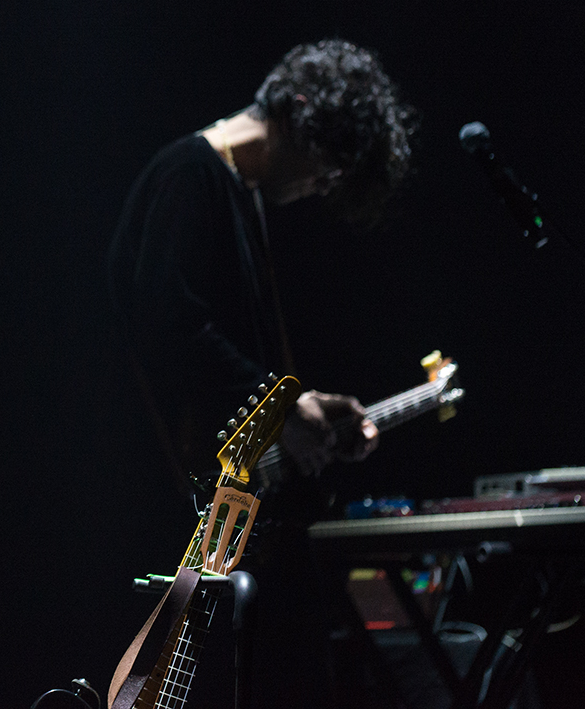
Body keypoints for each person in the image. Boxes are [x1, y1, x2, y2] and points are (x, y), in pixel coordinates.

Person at [107, 37, 418, 699]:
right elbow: (172, 327)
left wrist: (304, 406)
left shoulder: (236, 193)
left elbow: (229, 349)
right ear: (299, 112)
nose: (319, 186)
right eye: (325, 167)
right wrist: (276, 407)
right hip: (177, 523)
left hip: (230, 521)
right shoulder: (190, 176)